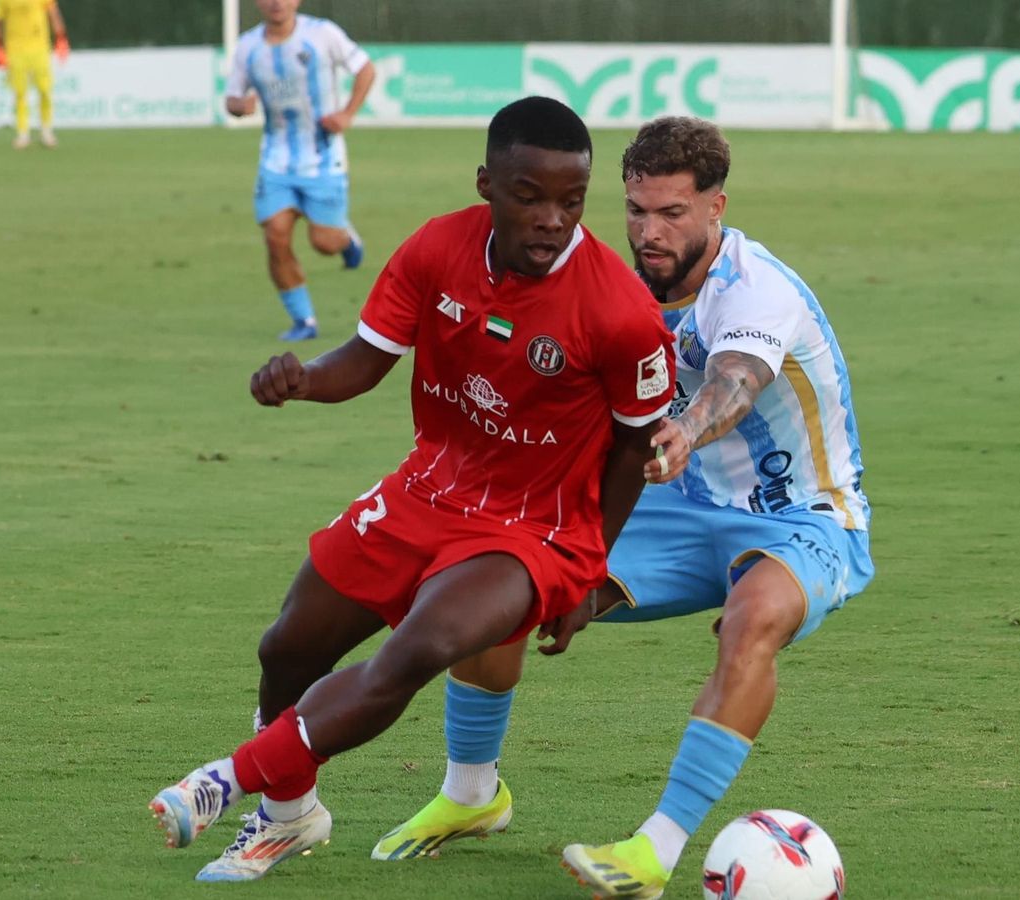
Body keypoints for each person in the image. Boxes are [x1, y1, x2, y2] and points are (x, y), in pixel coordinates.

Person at [147, 96, 677, 884]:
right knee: (288, 646)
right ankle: (289, 819)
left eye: (571, 202)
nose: (551, 221)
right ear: (487, 186)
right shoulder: (438, 247)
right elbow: (364, 360)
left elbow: (636, 448)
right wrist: (301, 381)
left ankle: (227, 779)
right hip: (430, 489)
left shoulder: (621, 310)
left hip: (534, 530)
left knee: (417, 649)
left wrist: (589, 565)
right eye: (529, 197)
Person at [372, 117, 874, 900]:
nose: (649, 231)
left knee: (753, 620)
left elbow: (734, 382)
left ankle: (654, 853)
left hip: (800, 515)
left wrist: (683, 434)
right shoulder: (608, 282)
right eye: (637, 210)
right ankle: (473, 795)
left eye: (672, 213)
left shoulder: (756, 289)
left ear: (717, 208)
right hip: (673, 511)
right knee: (504, 587)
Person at [225, 0, 377, 342]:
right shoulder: (248, 47)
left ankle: (346, 239)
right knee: (275, 237)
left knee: (324, 243)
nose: (277, 2)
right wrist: (240, 105)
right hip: (275, 161)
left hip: (323, 157)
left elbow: (366, 69)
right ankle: (304, 321)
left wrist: (347, 114)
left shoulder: (322, 34)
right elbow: (231, 98)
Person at [0, 0, 68, 149]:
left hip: (40, 48)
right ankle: (23, 134)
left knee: (45, 90)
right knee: (20, 93)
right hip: (15, 50)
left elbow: (53, 12)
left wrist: (61, 37)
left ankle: (46, 131)